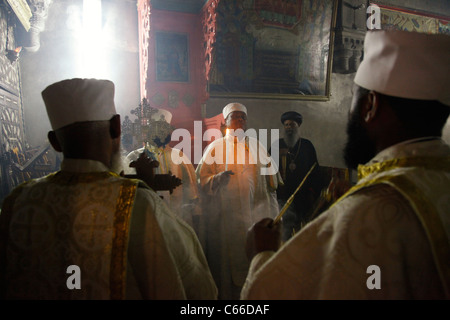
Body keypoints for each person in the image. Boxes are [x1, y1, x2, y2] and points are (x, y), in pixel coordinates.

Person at [241, 30, 450, 299]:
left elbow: (269, 293)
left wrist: (262, 254)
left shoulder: (372, 209)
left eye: (353, 97)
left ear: (370, 105)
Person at [0, 78, 217, 300]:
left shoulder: (16, 201)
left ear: (54, 142)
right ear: (116, 127)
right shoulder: (136, 202)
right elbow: (198, 289)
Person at [196, 102, 281, 300]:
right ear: (225, 123)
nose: (240, 120)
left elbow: (271, 184)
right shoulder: (214, 148)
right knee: (226, 270)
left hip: (253, 215)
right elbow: (202, 180)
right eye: (235, 117)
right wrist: (216, 180)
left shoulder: (257, 146)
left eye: (243, 117)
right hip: (225, 221)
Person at [124, 108, 201, 232]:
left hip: (178, 220)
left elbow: (192, 192)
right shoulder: (134, 157)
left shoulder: (179, 156)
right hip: (146, 222)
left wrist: (195, 217)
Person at [272, 111, 322, 240]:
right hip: (282, 195)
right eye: (286, 125)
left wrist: (311, 191)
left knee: (302, 230)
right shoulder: (276, 145)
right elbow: (268, 169)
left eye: (292, 124)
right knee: (284, 229)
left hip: (303, 194)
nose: (289, 127)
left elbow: (315, 171)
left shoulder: (307, 146)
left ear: (298, 126)